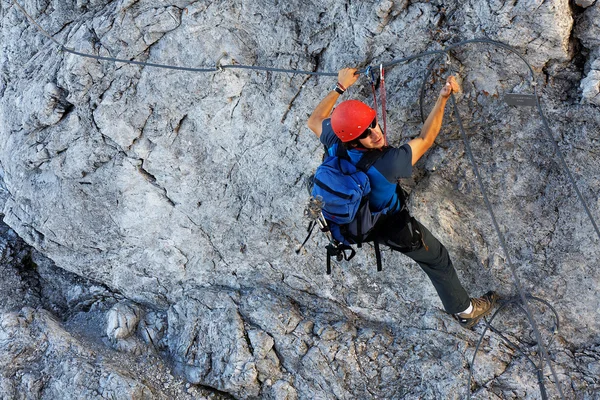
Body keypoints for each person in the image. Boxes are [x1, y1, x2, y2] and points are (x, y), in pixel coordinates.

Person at [306, 68, 498, 329]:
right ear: (352, 141)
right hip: (390, 226)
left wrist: (340, 87)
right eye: (366, 133)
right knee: (437, 258)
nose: (376, 133)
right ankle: (465, 312)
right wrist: (442, 98)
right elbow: (426, 138)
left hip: (358, 220)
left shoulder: (335, 139)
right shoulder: (389, 162)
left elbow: (315, 119)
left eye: (373, 123)